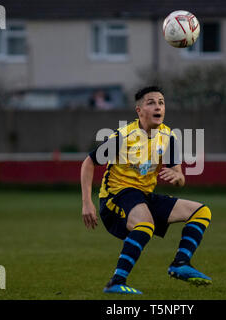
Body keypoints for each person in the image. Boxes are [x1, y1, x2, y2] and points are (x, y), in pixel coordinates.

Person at [80, 86, 212, 294]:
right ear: (139, 110)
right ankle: (116, 282)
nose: (158, 106)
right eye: (151, 102)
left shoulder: (168, 136)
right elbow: (88, 162)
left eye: (161, 102)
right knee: (145, 223)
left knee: (201, 211)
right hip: (117, 196)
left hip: (143, 196)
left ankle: (180, 263)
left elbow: (180, 177)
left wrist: (178, 177)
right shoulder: (124, 136)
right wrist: (87, 203)